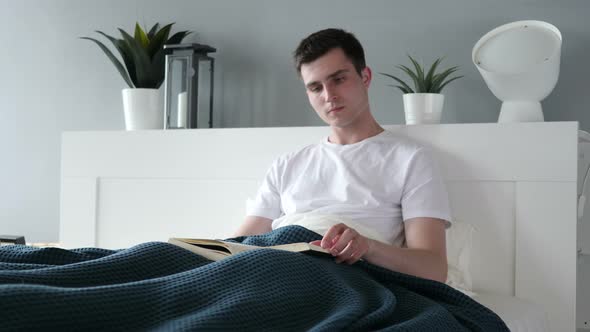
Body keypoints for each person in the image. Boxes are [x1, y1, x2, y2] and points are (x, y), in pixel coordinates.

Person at [233, 28, 451, 283]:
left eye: (338, 79)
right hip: (275, 271)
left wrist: (368, 247)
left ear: (365, 77)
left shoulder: (411, 159)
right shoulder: (287, 164)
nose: (329, 96)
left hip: (347, 278)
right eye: (315, 87)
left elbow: (434, 269)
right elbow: (237, 246)